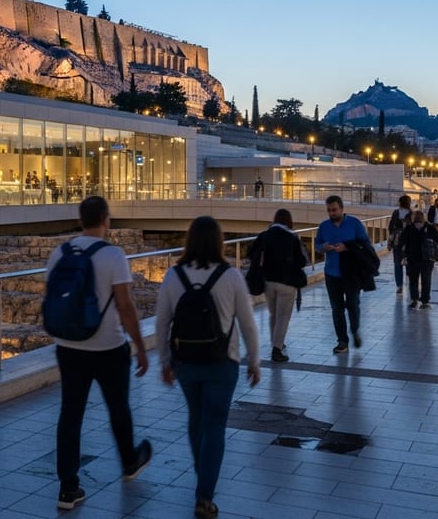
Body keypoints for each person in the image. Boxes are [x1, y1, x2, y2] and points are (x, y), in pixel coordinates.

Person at [46, 196, 151, 511]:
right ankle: (130, 462)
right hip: (107, 346)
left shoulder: (59, 253)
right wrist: (141, 347)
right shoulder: (113, 255)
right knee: (118, 407)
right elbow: (126, 306)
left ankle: (68, 488)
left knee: (70, 414)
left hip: (69, 347)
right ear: (106, 220)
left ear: (80, 220)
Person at [157, 215, 260, 518]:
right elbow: (248, 324)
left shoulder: (173, 276)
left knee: (195, 417)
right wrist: (254, 361)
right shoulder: (230, 276)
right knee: (215, 426)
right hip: (222, 362)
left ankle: (202, 472)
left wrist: (165, 361)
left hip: (186, 362)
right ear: (218, 240)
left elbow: (162, 323)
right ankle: (205, 495)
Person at [315, 195, 374, 354]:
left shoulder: (354, 223)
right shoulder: (324, 226)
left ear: (341, 208)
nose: (332, 213)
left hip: (351, 272)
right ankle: (342, 341)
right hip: (331, 273)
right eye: (329, 210)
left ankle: (355, 330)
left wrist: (347, 247)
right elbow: (317, 244)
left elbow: (365, 244)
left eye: (334, 210)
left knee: (353, 305)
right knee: (337, 308)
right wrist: (323, 247)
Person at [246, 208, 307, 362]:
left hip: (268, 281)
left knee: (274, 314)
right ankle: (277, 349)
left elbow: (250, 253)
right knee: (283, 317)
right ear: (288, 221)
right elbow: (302, 261)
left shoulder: (264, 236)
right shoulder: (292, 237)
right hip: (287, 283)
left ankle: (276, 342)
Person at [400, 210, 438, 309]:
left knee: (413, 280)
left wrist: (402, 256)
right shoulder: (430, 228)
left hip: (412, 259)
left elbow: (401, 242)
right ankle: (425, 302)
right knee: (426, 280)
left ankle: (414, 300)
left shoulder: (409, 228)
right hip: (427, 259)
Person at [388, 195, 413, 295]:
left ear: (400, 202)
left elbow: (391, 228)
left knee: (397, 264)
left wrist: (390, 243)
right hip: (409, 242)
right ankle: (411, 283)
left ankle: (399, 286)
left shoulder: (396, 212)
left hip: (397, 242)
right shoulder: (412, 213)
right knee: (409, 264)